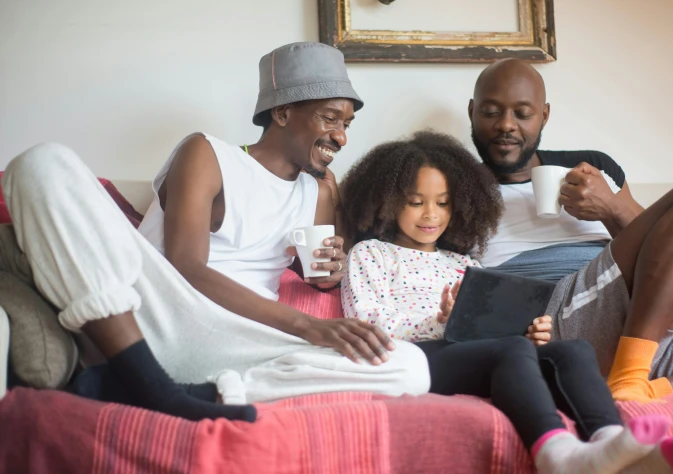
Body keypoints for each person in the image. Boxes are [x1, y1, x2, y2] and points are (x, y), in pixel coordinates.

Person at [0, 42, 429, 422]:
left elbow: (318, 276)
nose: (341, 136)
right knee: (43, 163)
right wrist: (305, 325)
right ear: (282, 113)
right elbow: (186, 265)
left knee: (410, 366)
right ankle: (150, 383)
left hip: (233, 341)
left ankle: (176, 390)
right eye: (330, 118)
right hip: (155, 309)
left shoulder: (314, 191)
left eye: (347, 124)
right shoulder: (208, 153)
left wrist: (327, 272)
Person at [339, 131, 673, 474]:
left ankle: (613, 442)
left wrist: (529, 332)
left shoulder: (465, 264)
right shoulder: (371, 254)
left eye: (443, 203)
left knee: (572, 351)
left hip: (479, 354)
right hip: (415, 357)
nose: (431, 214)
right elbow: (366, 323)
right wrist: (442, 322)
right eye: (416, 202)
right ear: (386, 202)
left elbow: (492, 332)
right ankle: (557, 453)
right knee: (508, 350)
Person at [467, 58, 673, 402]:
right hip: (556, 313)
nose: (506, 125)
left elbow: (672, 246)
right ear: (472, 111)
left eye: (522, 114)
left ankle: (644, 385)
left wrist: (611, 208)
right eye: (491, 112)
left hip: (648, 318)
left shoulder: (593, 166)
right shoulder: (449, 188)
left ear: (544, 115)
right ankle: (631, 375)